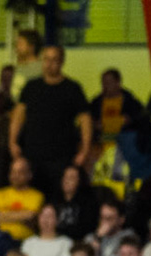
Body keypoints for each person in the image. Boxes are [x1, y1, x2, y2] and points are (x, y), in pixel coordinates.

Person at [9, 43, 91, 195]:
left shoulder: (72, 88)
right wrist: (12, 141)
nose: (49, 64)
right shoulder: (31, 87)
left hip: (62, 156)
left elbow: (85, 120)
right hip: (33, 154)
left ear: (61, 62)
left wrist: (85, 150)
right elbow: (18, 116)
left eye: (54, 60)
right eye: (46, 59)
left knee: (58, 197)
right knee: (33, 196)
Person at [0, 157, 43, 244]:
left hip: (26, 242)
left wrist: (3, 215)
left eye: (20, 172)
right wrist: (22, 216)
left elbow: (31, 218)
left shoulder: (37, 196)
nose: (15, 176)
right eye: (13, 172)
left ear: (29, 175)